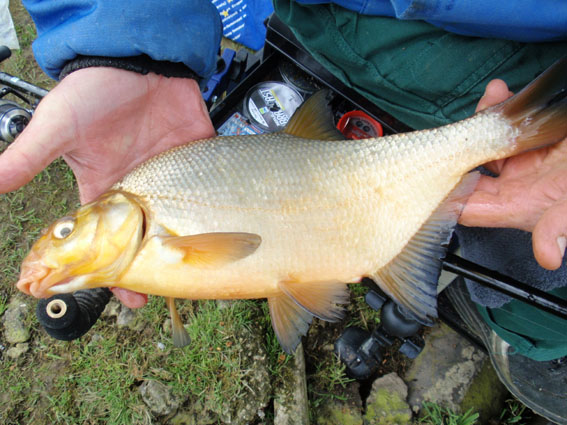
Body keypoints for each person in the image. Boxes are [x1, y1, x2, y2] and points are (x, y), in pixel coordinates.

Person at [1, 0, 566, 421]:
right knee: (531, 272)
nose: (59, 241)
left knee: (529, 263)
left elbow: (238, 247)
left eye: (66, 230)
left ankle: (533, 328)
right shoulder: (142, 237)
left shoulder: (149, 218)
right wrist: (120, 47)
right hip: (357, 21)